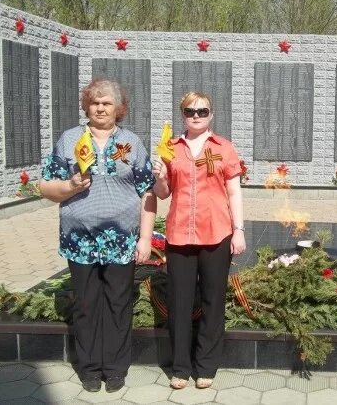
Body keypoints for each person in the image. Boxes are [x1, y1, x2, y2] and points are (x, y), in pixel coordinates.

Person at [39, 79, 156, 393]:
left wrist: (145, 238)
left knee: (119, 304)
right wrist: (71, 186)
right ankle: (90, 368)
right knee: (87, 304)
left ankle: (116, 369)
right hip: (80, 240)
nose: (101, 108)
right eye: (95, 103)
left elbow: (148, 192)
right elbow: (46, 186)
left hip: (122, 240)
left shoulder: (131, 142)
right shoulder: (69, 140)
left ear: (119, 108)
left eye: (107, 103)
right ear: (86, 106)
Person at [152, 91, 245, 390]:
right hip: (180, 234)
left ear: (211, 115)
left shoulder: (224, 148)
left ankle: (206, 365)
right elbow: (163, 193)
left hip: (216, 232)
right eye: (190, 111)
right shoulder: (170, 148)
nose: (196, 115)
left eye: (202, 111)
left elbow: (234, 192)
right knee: (178, 302)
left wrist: (239, 229)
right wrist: (161, 177)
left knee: (212, 300)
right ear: (182, 114)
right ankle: (180, 367)